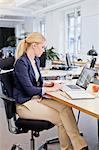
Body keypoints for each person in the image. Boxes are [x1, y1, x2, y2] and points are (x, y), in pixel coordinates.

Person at [13, 32, 89, 150]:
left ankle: (80, 146)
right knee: (61, 119)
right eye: (42, 46)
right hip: (25, 103)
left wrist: (47, 84)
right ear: (34, 45)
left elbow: (36, 81)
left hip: (37, 98)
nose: (43, 50)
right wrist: (50, 89)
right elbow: (29, 89)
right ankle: (72, 148)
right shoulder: (21, 63)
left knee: (65, 108)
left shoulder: (35, 60)